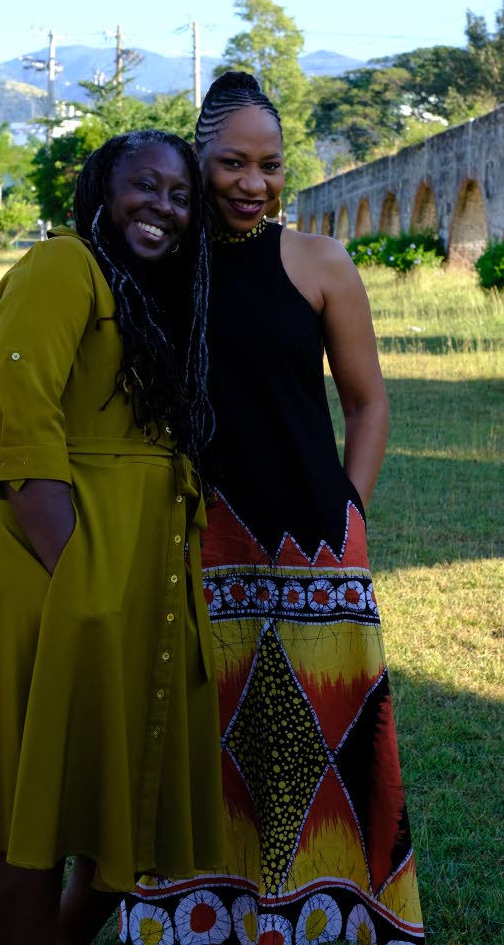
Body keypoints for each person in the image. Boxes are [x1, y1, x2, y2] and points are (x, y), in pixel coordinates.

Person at [0, 130, 226, 945]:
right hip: (52, 572)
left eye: (181, 195)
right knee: (28, 817)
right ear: (100, 192)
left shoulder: (159, 296)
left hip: (137, 573)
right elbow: (21, 421)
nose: (163, 208)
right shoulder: (62, 266)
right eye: (144, 186)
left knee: (119, 806)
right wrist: (76, 572)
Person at [123, 74, 424, 945]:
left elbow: (367, 402)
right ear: (197, 159)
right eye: (231, 163)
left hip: (314, 553)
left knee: (322, 752)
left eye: (269, 164)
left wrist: (349, 510)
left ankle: (327, 922)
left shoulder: (321, 263)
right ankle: (201, 921)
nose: (252, 182)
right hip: (196, 546)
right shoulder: (163, 263)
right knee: (204, 749)